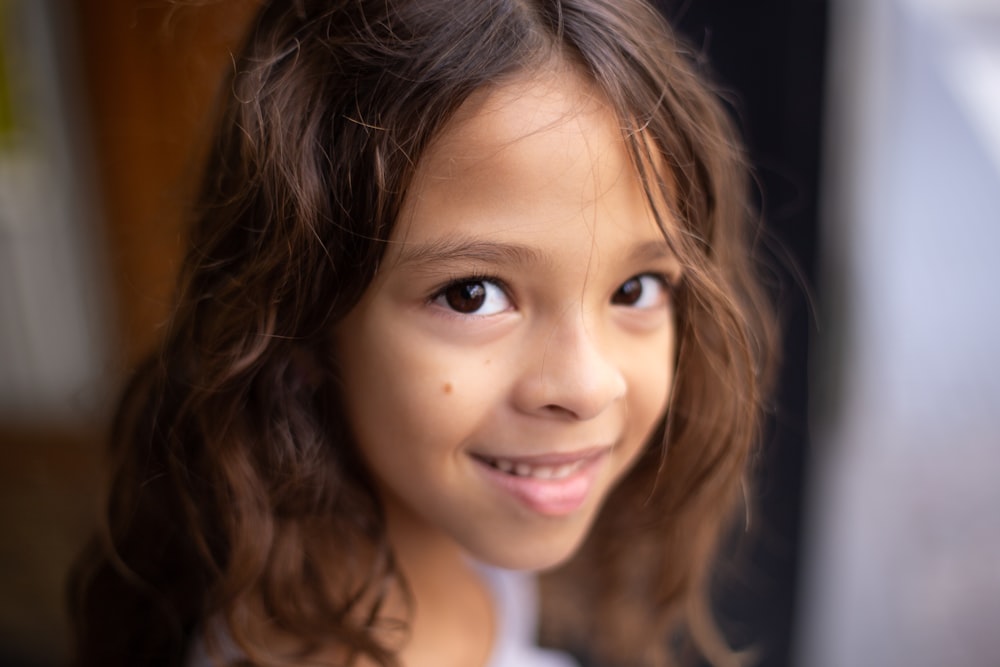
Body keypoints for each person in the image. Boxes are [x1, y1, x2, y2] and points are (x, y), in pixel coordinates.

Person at [68, 0, 776, 665]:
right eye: (473, 295)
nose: (589, 385)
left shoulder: (432, 545)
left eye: (636, 288)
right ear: (302, 318)